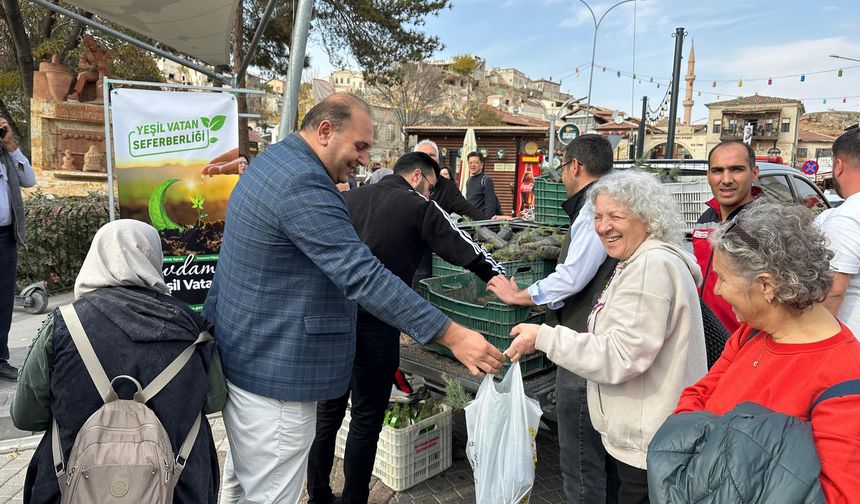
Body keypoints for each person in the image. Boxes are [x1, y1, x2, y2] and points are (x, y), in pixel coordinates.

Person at [202, 93, 503, 503]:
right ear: (325, 131)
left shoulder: (274, 162)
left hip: (247, 361)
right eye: (360, 146)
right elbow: (361, 273)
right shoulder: (303, 182)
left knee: (241, 488)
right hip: (275, 380)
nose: (364, 159)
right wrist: (450, 333)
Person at [307, 151, 505, 504]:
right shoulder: (417, 204)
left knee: (327, 416)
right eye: (431, 186)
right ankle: (354, 499)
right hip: (379, 325)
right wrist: (495, 275)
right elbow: (462, 244)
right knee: (366, 420)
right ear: (417, 176)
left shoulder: (346, 198)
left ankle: (319, 494)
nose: (431, 194)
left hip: (333, 322)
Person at [505, 169, 707, 503]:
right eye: (598, 216)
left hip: (646, 443)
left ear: (646, 217)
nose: (603, 226)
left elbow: (620, 355)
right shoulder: (639, 260)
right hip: (648, 437)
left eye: (615, 216)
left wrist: (544, 337)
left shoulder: (650, 267)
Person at [10, 219, 226, 503]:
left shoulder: (64, 325)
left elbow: (26, 416)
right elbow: (215, 400)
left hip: (70, 487)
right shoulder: (193, 328)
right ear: (154, 257)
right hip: (180, 487)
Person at [665, 202, 860, 501]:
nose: (716, 290)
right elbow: (696, 396)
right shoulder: (750, 333)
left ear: (766, 286)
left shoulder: (846, 382)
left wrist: (701, 457)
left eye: (723, 278)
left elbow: (836, 495)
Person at [487, 134, 618, 503]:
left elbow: (572, 277)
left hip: (582, 342)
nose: (561, 176)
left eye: (562, 167)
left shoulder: (597, 207)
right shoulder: (608, 201)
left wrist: (521, 295)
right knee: (599, 459)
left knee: (580, 461)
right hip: (593, 338)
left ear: (575, 166)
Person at [693, 140, 761, 334]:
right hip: (705, 335)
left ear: (754, 173)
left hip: (743, 341)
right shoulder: (706, 217)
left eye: (736, 169)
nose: (726, 179)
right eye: (717, 171)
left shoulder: (764, 223)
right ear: (708, 175)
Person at [0, 117, 35, 381]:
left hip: (5, 237)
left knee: (3, 302)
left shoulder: (6, 154)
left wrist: (11, 145)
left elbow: (28, 179)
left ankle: (0, 359)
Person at [816, 128, 860, 335]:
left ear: (838, 165)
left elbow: (832, 292)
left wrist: (810, 343)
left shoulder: (846, 217)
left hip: (850, 345)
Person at [414, 140, 484, 221]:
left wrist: (492, 224)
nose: (428, 157)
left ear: (437, 160)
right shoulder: (405, 182)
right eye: (423, 154)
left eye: (432, 155)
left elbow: (468, 210)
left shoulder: (447, 187)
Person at [68, 35, 111, 102]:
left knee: (102, 75)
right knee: (82, 75)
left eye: (92, 44)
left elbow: (110, 53)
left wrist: (107, 54)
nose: (91, 47)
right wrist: (90, 66)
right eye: (89, 46)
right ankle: (76, 94)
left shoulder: (102, 50)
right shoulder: (85, 54)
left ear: (95, 42)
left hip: (105, 73)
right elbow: (81, 64)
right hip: (95, 73)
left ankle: (101, 98)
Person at [465, 151, 501, 219]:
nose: (472, 165)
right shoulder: (468, 181)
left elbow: (490, 204)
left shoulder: (486, 180)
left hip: (482, 221)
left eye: (476, 163)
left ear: (481, 165)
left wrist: (487, 222)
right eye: (470, 163)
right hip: (472, 220)